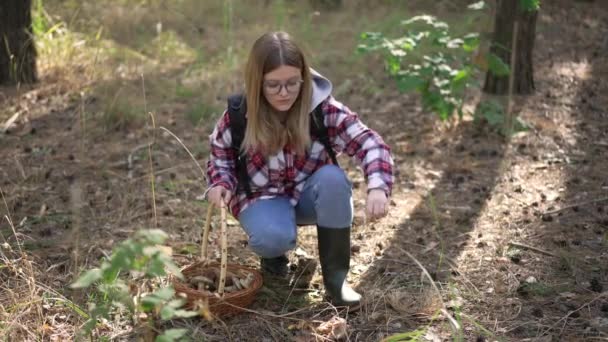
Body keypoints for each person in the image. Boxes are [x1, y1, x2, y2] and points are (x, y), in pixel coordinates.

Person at [205, 31, 393, 307]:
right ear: (258, 83)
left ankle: (336, 281)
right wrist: (220, 183)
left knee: (333, 179)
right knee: (273, 237)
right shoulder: (239, 115)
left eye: (293, 83)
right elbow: (220, 158)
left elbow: (370, 143)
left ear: (303, 78)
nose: (284, 93)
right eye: (274, 85)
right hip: (261, 197)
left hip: (309, 193)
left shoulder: (321, 109)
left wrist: (378, 186)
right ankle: (273, 256)